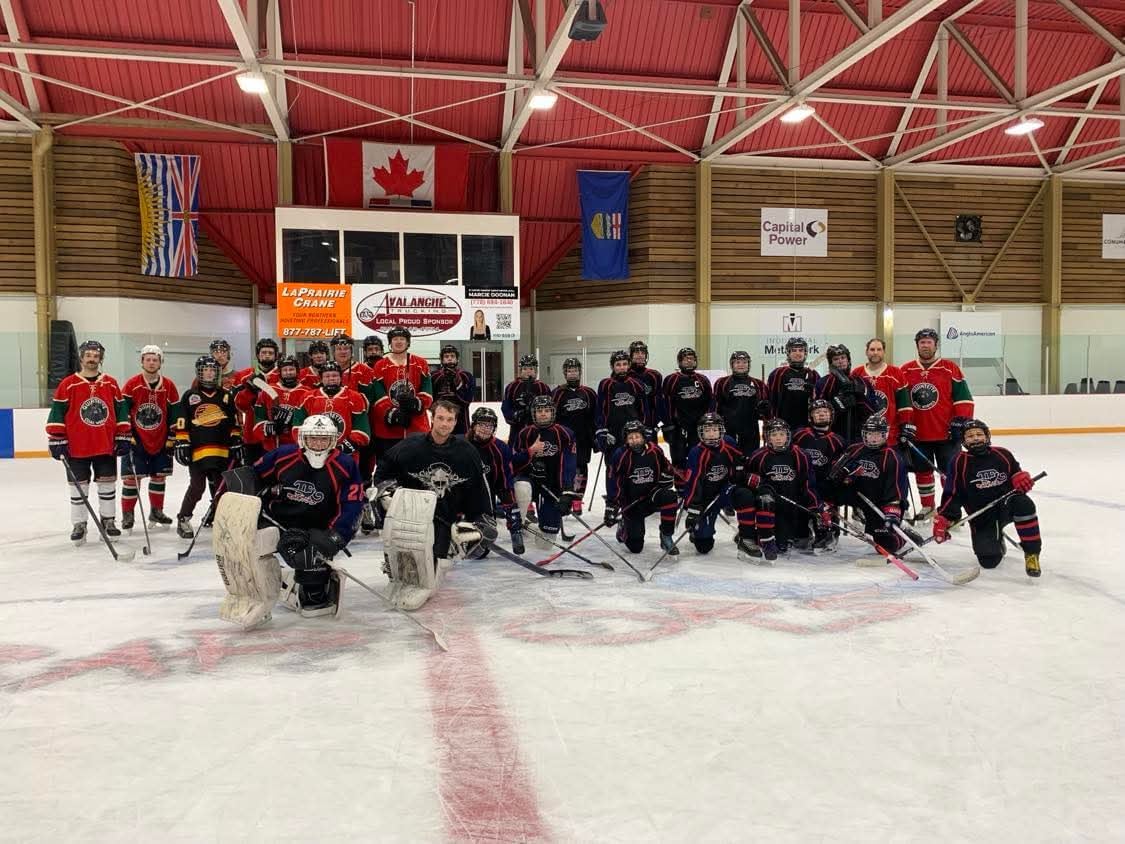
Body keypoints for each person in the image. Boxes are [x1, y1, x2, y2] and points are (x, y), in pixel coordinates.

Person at [212, 414, 364, 629]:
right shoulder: (282, 455)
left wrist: (334, 539)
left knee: (314, 605)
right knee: (245, 548)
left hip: (318, 528)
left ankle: (314, 584)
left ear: (333, 441)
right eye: (313, 439)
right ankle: (256, 593)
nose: (318, 444)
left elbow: (352, 505)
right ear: (303, 439)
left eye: (323, 439)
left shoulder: (345, 464)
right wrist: (232, 492)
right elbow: (253, 476)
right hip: (276, 521)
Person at [372, 400, 495, 610]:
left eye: (450, 420)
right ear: (432, 418)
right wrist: (387, 492)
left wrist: (481, 520)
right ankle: (397, 569)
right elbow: (383, 472)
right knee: (402, 562)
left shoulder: (467, 452)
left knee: (429, 572)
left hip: (444, 520)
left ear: (456, 422)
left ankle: (443, 554)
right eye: (440, 418)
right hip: (409, 518)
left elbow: (478, 490)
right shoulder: (410, 446)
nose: (444, 424)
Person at [45, 339, 131, 544]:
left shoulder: (110, 382)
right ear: (82, 357)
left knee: (108, 485)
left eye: (96, 355)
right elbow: (57, 412)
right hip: (77, 447)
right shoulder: (68, 383)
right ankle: (79, 524)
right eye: (88, 355)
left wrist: (123, 435)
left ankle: (108, 521)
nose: (92, 359)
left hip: (104, 444)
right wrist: (57, 438)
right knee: (78, 488)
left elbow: (121, 410)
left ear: (100, 358)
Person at [933, 419, 1041, 577]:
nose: (975, 438)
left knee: (1023, 503)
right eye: (970, 436)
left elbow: (1016, 473)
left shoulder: (1002, 454)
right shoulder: (959, 462)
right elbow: (953, 493)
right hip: (981, 515)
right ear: (963, 440)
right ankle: (996, 538)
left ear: (987, 436)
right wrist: (945, 516)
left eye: (979, 434)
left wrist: (1020, 478)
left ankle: (1032, 553)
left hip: (1006, 506)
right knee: (989, 562)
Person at [898, 328, 975, 520]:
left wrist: (961, 423)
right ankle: (928, 507)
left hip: (946, 434)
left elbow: (964, 399)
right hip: (917, 434)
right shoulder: (905, 370)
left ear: (936, 344)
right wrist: (903, 424)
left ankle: (951, 509)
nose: (925, 345)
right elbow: (899, 401)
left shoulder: (950, 368)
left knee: (949, 473)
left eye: (929, 342)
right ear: (917, 345)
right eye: (922, 342)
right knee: (923, 473)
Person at [174, 355, 242, 539]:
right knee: (197, 486)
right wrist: (181, 441)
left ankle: (222, 521)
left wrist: (236, 438)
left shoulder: (226, 395)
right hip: (198, 450)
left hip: (222, 450)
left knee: (222, 488)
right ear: (200, 372)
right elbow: (182, 421)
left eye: (213, 370)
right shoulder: (190, 395)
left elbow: (234, 421)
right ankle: (184, 518)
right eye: (206, 370)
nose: (210, 373)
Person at [744, 419, 825, 561]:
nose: (778, 438)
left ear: (788, 436)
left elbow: (808, 484)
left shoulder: (801, 455)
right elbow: (748, 481)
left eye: (782, 434)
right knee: (781, 545)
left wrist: (815, 507)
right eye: (774, 435)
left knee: (802, 540)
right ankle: (757, 534)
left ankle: (816, 531)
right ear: (767, 437)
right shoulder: (758, 456)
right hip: (773, 506)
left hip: (796, 503)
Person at [827, 416, 908, 556]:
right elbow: (833, 474)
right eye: (870, 434)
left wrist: (892, 514)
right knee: (824, 494)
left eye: (877, 434)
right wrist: (843, 475)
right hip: (856, 494)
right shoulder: (853, 449)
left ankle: (904, 534)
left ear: (885, 435)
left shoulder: (892, 458)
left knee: (884, 542)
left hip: (878, 502)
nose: (873, 438)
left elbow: (896, 491)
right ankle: (827, 531)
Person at [680, 413, 757, 557]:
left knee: (745, 495)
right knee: (704, 547)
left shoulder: (729, 442)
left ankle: (746, 537)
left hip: (725, 490)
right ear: (701, 432)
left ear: (721, 430)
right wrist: (693, 510)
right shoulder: (696, 453)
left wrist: (741, 473)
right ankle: (697, 532)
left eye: (714, 430)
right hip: (706, 499)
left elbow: (739, 460)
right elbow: (692, 482)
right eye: (707, 430)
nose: (711, 434)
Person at [120, 344, 179, 531]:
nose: (152, 363)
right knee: (132, 479)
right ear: (142, 361)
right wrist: (128, 434)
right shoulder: (132, 384)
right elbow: (123, 412)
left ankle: (156, 511)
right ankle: (127, 515)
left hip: (161, 440)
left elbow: (175, 414)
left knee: (159, 477)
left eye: (155, 359)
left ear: (161, 362)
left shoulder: (168, 385)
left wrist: (172, 436)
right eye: (148, 359)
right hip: (136, 439)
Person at [511, 395, 579, 548]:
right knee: (521, 487)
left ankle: (529, 527)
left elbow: (569, 463)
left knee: (545, 545)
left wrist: (566, 490)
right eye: (539, 410)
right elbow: (513, 463)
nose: (543, 414)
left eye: (546, 410)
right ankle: (517, 523)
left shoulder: (565, 434)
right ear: (533, 413)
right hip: (529, 482)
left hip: (551, 486)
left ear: (552, 412)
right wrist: (530, 459)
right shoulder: (524, 433)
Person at [605, 420, 679, 555]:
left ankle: (666, 535)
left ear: (644, 437)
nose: (634, 440)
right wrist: (612, 505)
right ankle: (624, 527)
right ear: (626, 440)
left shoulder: (655, 450)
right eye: (630, 438)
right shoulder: (620, 455)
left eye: (637, 436)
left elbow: (667, 467)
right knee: (635, 547)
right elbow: (613, 480)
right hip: (631, 501)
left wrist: (667, 477)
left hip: (652, 495)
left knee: (670, 496)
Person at [364, 326, 434, 458]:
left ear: (408, 342)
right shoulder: (380, 365)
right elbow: (379, 395)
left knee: (416, 465)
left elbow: (427, 391)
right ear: (390, 343)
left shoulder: (420, 363)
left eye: (402, 338)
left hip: (416, 425)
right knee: (388, 467)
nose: (399, 342)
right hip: (388, 429)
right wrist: (392, 414)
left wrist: (416, 403)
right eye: (395, 339)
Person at [467, 406, 525, 555]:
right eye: (481, 424)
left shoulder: (500, 449)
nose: (485, 429)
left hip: (485, 501)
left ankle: (497, 513)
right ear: (473, 425)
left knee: (479, 552)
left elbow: (505, 484)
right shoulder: (460, 445)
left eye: (489, 425)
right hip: (460, 500)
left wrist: (514, 521)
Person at [792, 399, 847, 551]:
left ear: (831, 416)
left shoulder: (838, 440)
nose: (822, 415)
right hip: (802, 483)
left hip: (825, 486)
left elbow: (841, 468)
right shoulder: (799, 435)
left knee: (826, 498)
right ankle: (801, 532)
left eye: (825, 412)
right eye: (817, 412)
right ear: (811, 417)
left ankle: (827, 533)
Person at [552, 357, 597, 514]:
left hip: (583, 439)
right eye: (569, 371)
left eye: (575, 371)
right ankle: (564, 496)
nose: (572, 374)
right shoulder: (557, 393)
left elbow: (595, 416)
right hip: (564, 439)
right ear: (565, 373)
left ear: (580, 372)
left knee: (581, 468)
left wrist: (596, 436)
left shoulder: (589, 393)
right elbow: (552, 417)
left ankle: (578, 499)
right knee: (564, 468)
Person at [298, 361, 370, 459]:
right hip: (315, 453)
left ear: (340, 378)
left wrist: (344, 447)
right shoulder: (308, 397)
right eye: (327, 376)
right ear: (321, 379)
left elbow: (362, 428)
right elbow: (297, 426)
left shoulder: (354, 397)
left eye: (335, 375)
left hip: (346, 455)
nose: (331, 379)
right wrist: (310, 446)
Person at [661, 346, 713, 471]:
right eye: (685, 359)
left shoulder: (702, 380)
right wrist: (668, 424)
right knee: (679, 459)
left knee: (698, 458)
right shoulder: (671, 380)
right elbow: (665, 403)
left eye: (691, 359)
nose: (689, 361)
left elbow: (710, 402)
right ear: (680, 362)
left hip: (698, 427)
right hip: (678, 428)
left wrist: (708, 421)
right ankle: (681, 487)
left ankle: (697, 485)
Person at [814, 344, 880, 442]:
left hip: (858, 436)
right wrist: (838, 404)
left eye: (843, 358)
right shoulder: (823, 383)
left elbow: (873, 410)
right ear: (831, 362)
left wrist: (859, 397)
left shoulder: (861, 382)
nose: (840, 361)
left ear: (848, 360)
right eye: (836, 359)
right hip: (832, 437)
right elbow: (816, 413)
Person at [851, 338, 909, 445]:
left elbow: (904, 406)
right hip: (863, 435)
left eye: (879, 349)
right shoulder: (856, 373)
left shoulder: (896, 373)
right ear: (866, 352)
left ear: (884, 352)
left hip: (890, 435)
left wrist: (905, 427)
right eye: (872, 349)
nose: (875, 353)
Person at [233, 338, 280, 465]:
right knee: (252, 472)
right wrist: (249, 390)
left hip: (274, 434)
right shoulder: (244, 375)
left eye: (270, 353)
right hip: (251, 433)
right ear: (258, 355)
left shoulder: (282, 374)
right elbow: (239, 405)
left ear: (276, 356)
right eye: (264, 352)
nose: (267, 355)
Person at [713, 350, 771, 453]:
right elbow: (716, 407)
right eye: (737, 362)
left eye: (744, 362)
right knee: (730, 457)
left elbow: (766, 412)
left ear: (749, 364)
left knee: (750, 458)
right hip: (728, 429)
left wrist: (764, 410)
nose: (741, 365)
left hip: (751, 429)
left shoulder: (759, 384)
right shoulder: (722, 383)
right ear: (732, 364)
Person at [252, 355, 310, 453]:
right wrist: (268, 428)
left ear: (297, 371)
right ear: (280, 372)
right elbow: (258, 416)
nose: (288, 373)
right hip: (272, 446)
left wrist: (294, 421)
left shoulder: (307, 392)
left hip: (298, 447)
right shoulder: (268, 389)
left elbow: (312, 418)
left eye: (291, 369)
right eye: (285, 370)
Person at [595, 350, 645, 457]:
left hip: (633, 434)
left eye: (625, 364)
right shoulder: (605, 384)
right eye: (618, 365)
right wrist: (601, 431)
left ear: (629, 365)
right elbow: (600, 410)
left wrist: (645, 429)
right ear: (612, 366)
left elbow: (643, 410)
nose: (622, 367)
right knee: (612, 466)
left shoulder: (637, 384)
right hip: (612, 434)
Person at [766, 337, 819, 430]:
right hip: (783, 426)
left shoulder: (813, 375)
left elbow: (820, 400)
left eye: (801, 350)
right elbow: (770, 399)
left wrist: (813, 393)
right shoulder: (778, 373)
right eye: (794, 350)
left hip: (807, 427)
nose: (797, 353)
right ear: (788, 353)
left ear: (805, 353)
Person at [501, 353, 551, 448]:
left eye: (531, 369)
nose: (528, 372)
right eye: (525, 369)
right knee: (516, 456)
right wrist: (516, 415)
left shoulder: (543, 387)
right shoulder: (512, 387)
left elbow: (551, 409)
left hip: (539, 430)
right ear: (520, 370)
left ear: (535, 370)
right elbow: (506, 407)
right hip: (517, 430)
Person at [431, 344, 476, 435]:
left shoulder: (466, 376)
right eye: (446, 356)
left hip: (461, 420)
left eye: (452, 356)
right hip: (440, 418)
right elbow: (430, 401)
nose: (450, 358)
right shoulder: (434, 376)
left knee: (461, 445)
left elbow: (468, 400)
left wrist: (457, 384)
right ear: (441, 360)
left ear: (457, 359)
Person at [627, 340, 663, 430]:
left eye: (643, 353)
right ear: (631, 356)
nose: (640, 355)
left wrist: (659, 423)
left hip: (650, 423)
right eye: (636, 352)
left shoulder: (655, 375)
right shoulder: (625, 375)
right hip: (629, 423)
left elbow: (658, 403)